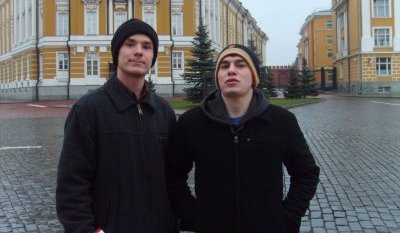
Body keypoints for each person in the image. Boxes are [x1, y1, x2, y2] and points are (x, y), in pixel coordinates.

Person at [166, 44, 320, 233]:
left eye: (240, 65)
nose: (231, 70)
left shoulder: (281, 121)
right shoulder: (192, 123)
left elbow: (306, 173)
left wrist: (287, 217)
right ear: (218, 77)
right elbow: (173, 174)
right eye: (224, 66)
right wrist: (192, 215)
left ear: (253, 76)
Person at [56, 18, 177, 232]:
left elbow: (173, 178)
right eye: (130, 44)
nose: (139, 51)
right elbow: (72, 185)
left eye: (146, 46)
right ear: (117, 52)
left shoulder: (164, 112)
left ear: (153, 57)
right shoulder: (88, 110)